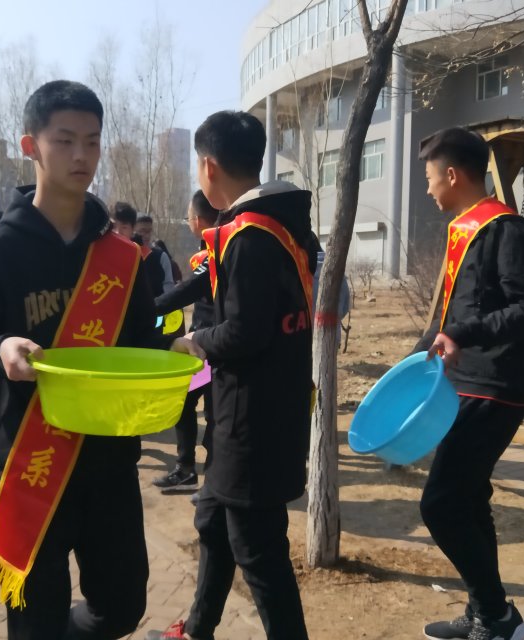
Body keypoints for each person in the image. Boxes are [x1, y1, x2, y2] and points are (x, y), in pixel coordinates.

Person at [0, 80, 157, 640]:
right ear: (30, 146)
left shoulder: (121, 259)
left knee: (122, 607)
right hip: (31, 464)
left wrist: (174, 352)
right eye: (65, 140)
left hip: (108, 461)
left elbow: (139, 347)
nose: (82, 155)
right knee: (35, 622)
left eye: (92, 141)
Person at [148, 111, 316, 640]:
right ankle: (197, 629)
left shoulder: (251, 236)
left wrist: (192, 342)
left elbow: (245, 332)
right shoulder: (284, 225)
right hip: (258, 409)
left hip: (252, 419)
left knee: (258, 550)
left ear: (208, 166)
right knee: (214, 523)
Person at [414, 127, 524, 640]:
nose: (428, 188)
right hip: (463, 384)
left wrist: (462, 334)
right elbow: (453, 317)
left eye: (430, 178)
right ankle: (485, 613)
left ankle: (497, 615)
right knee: (470, 500)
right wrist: (413, 361)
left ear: (452, 175)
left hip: (494, 387)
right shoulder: (465, 233)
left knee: (440, 504)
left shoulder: (507, 231)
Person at [151, 190, 219, 495]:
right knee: (186, 404)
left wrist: (143, 311)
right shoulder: (209, 247)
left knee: (213, 415)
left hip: (211, 350)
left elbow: (186, 291)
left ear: (198, 220)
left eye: (189, 217)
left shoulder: (219, 250)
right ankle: (186, 469)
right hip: (199, 349)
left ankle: (210, 480)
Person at [312, 250, 351, 346]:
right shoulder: (339, 275)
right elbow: (345, 307)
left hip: (307, 339)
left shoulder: (302, 273)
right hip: (332, 338)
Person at [135, 214, 175, 295]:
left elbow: (168, 285)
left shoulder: (160, 256)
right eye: (142, 231)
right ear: (133, 230)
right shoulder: (126, 255)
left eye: (149, 231)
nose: (146, 236)